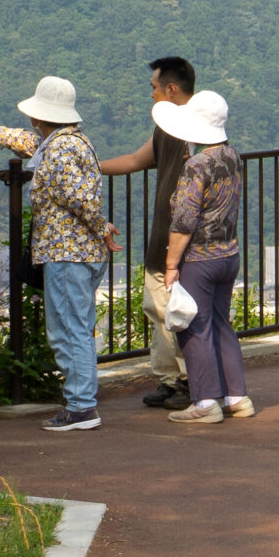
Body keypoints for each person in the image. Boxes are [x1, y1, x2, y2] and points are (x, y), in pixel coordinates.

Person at [0, 76, 114, 433]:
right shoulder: (69, 141)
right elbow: (29, 144)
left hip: (66, 251)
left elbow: (77, 195)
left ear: (38, 116)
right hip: (81, 251)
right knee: (79, 328)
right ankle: (82, 400)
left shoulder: (57, 150)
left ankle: (81, 406)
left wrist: (103, 226)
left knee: (67, 330)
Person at [97, 56, 198, 411]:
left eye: (153, 88)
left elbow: (136, 162)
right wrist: (88, 167)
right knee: (163, 311)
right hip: (174, 243)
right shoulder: (178, 130)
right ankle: (174, 380)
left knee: (173, 313)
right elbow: (135, 160)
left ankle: (186, 382)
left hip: (175, 244)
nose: (151, 95)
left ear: (171, 89)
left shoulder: (184, 131)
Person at [155, 88, 254, 424]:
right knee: (221, 323)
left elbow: (184, 222)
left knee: (193, 327)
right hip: (229, 253)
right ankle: (237, 396)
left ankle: (205, 402)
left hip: (200, 258)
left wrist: (171, 265)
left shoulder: (197, 166)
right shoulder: (232, 156)